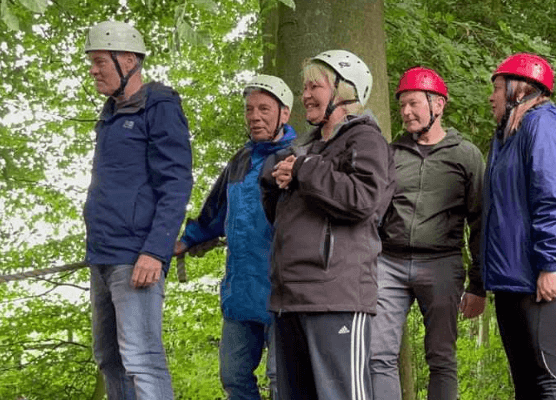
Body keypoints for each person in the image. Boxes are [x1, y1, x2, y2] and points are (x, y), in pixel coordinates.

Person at [261, 49, 395, 400]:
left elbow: (362, 200)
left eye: (314, 86)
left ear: (345, 89)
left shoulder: (367, 141)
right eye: (304, 87)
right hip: (291, 297)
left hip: (337, 296)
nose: (304, 95)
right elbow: (280, 216)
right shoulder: (304, 147)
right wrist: (272, 182)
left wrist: (304, 170)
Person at [83, 21, 193, 400]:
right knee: (109, 359)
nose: (93, 70)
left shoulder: (159, 106)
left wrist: (155, 250)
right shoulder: (109, 115)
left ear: (128, 59)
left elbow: (176, 182)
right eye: (91, 63)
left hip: (137, 257)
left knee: (142, 359)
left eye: (99, 62)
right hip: (102, 255)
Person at [175, 74, 297, 400]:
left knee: (280, 382)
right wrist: (186, 240)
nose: (254, 116)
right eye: (249, 109)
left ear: (284, 113)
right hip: (239, 293)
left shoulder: (298, 156)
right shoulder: (239, 161)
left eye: (264, 109)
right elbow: (214, 211)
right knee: (233, 377)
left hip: (283, 294)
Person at [370, 67, 486, 400]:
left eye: (413, 104)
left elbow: (481, 222)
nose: (405, 112)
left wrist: (478, 286)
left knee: (442, 359)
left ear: (438, 105)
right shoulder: (391, 154)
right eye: (402, 105)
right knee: (378, 356)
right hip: (388, 264)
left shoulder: (466, 155)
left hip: (441, 264)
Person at [483, 53, 556, 399]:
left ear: (518, 89)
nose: (491, 96)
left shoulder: (541, 125)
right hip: (514, 280)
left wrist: (550, 264)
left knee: (549, 382)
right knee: (526, 385)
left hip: (545, 278)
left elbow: (554, 196)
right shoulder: (504, 139)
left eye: (497, 88)